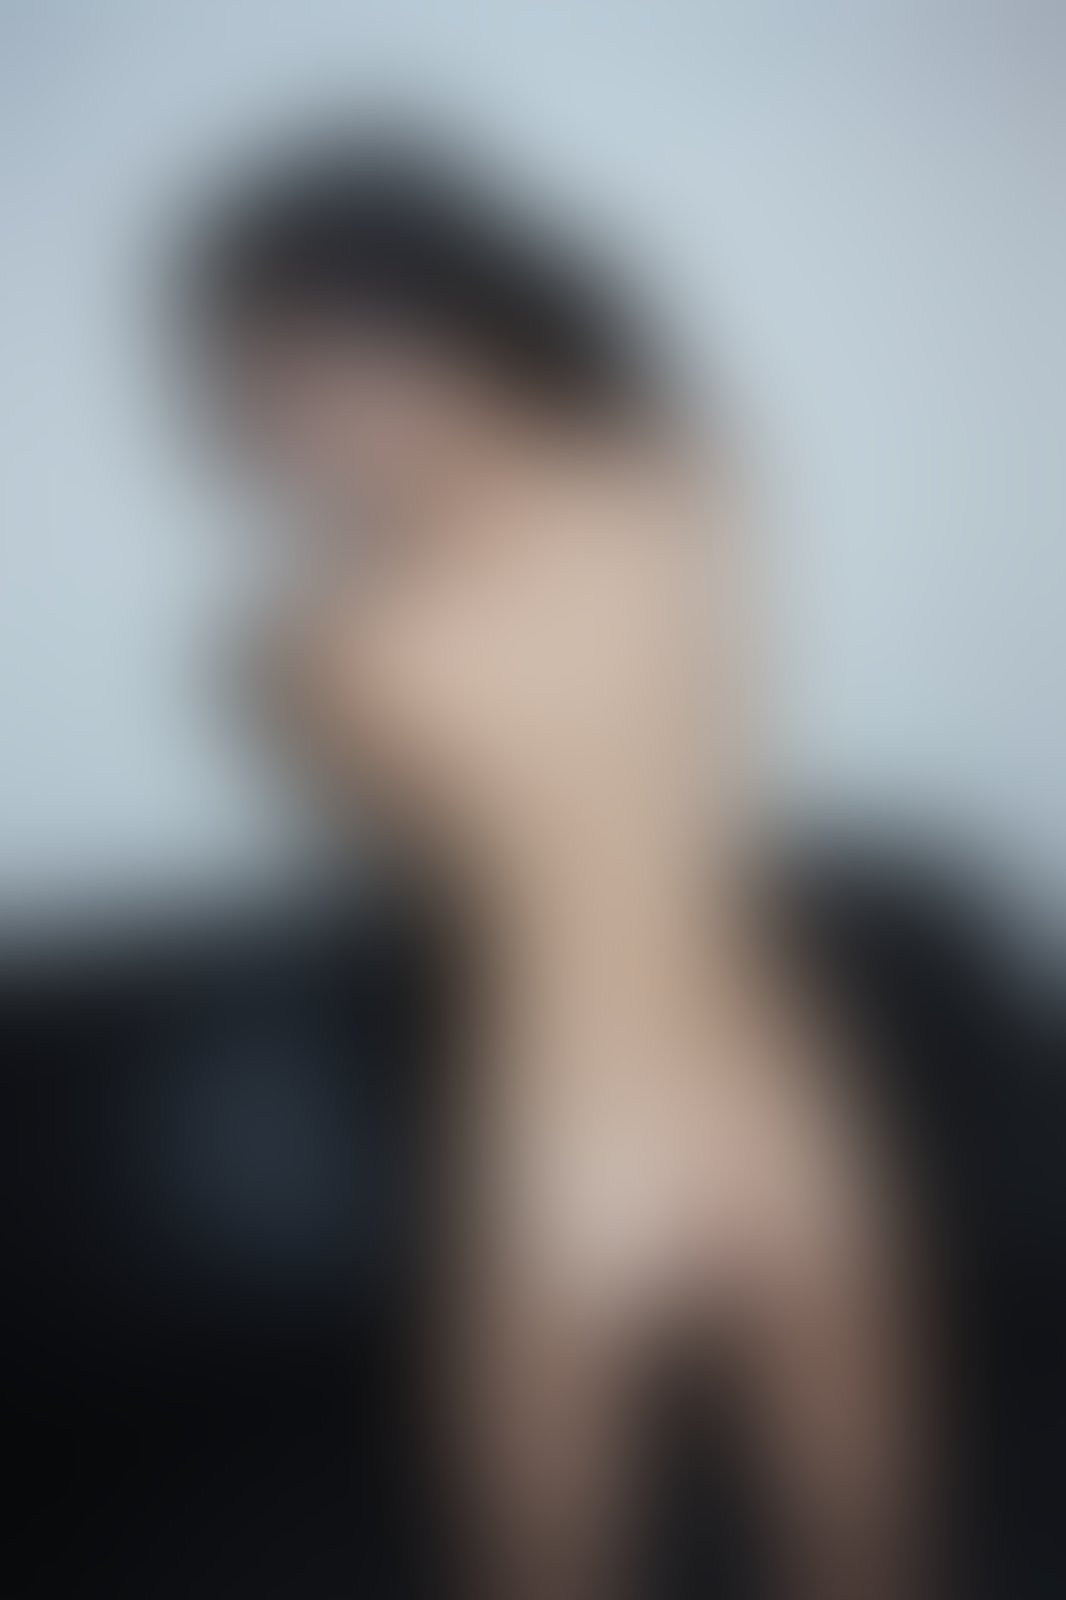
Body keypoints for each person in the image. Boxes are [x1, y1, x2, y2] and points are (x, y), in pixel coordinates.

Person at [6, 141, 1057, 1600]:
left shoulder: (342, 634)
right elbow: (476, 817)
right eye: (269, 390)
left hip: (719, 1117)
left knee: (866, 1556)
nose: (295, 425)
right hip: (599, 1134)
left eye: (316, 371)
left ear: (436, 328)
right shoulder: (646, 499)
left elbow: (450, 782)